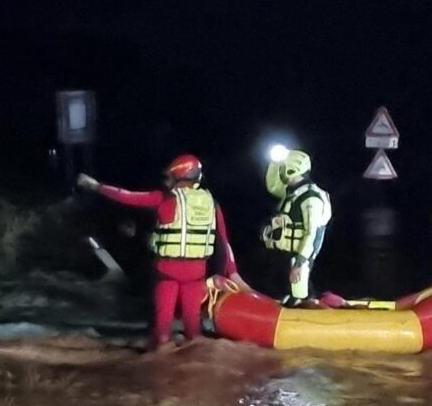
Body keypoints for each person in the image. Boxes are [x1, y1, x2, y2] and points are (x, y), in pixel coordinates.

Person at [77, 154, 248, 350]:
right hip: (196, 272)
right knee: (193, 327)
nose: (167, 181)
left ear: (177, 176)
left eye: (169, 177)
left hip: (167, 270)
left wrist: (96, 186)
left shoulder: (165, 198)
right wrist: (232, 272)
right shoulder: (212, 203)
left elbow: (127, 196)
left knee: (162, 328)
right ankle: (198, 362)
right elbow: (223, 241)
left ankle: (161, 359)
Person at [261, 149, 332, 307]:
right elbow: (272, 186)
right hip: (285, 255)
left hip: (299, 258)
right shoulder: (293, 192)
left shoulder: (311, 197)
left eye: (282, 167)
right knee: (288, 297)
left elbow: (311, 233)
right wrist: (274, 163)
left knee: (299, 297)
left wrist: (299, 263)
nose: (280, 171)